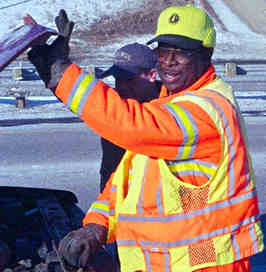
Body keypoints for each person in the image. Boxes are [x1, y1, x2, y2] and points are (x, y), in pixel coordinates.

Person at [27, 4, 264, 272]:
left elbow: (127, 124)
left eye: (182, 53)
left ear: (206, 55)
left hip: (204, 261)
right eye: (163, 51)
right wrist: (98, 224)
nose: (169, 61)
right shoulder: (167, 106)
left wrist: (62, 74)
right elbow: (130, 182)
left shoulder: (206, 109)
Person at [95, 43, 161, 193]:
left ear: (152, 75)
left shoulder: (171, 106)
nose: (122, 86)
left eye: (129, 80)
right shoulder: (112, 104)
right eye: (118, 79)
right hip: (114, 195)